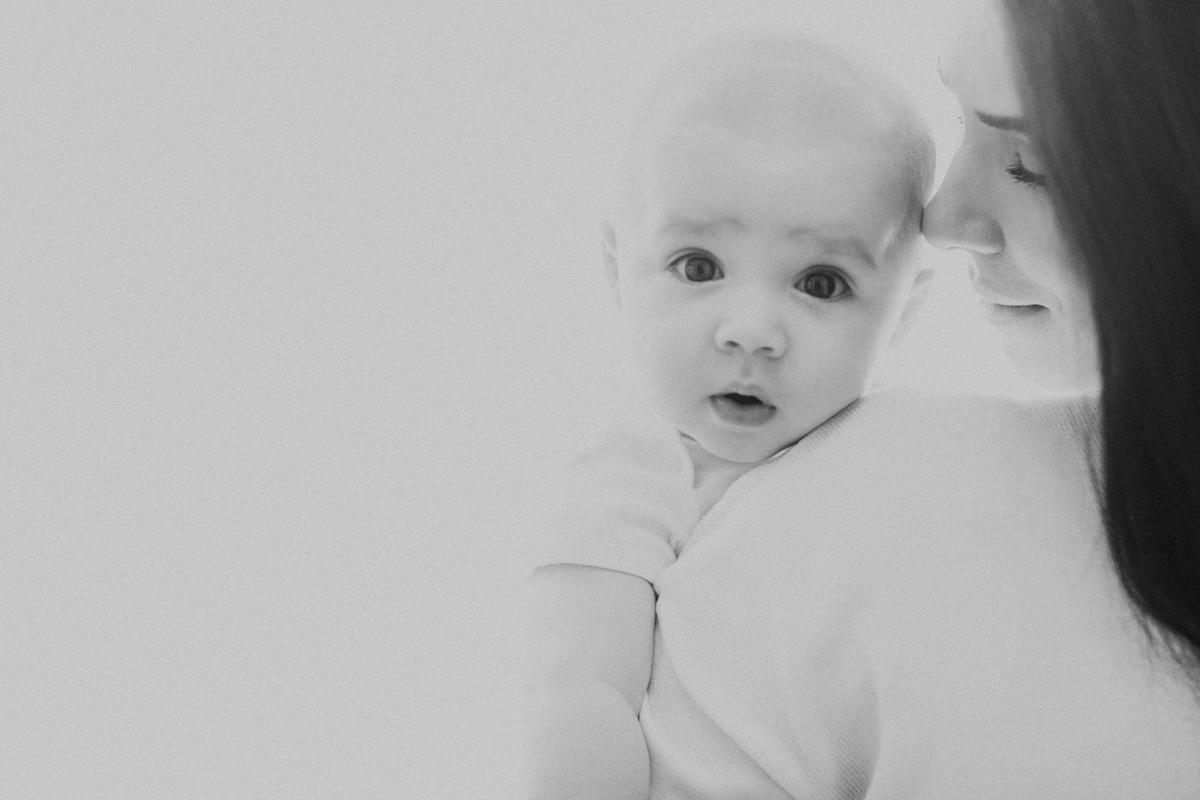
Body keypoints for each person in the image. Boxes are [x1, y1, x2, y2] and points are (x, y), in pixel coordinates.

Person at [637, 0, 1200, 797]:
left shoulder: (868, 512)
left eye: (1030, 162)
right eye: (961, 122)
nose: (942, 217)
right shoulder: (847, 509)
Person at [524, 33, 935, 799]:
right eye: (698, 267)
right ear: (618, 272)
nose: (751, 330)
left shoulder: (906, 452)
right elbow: (581, 692)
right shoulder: (636, 474)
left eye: (821, 283)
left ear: (904, 311)